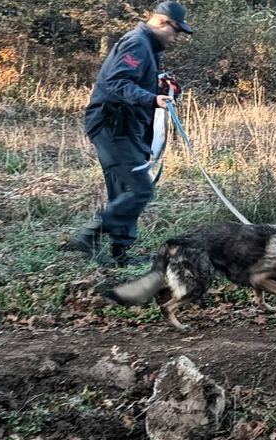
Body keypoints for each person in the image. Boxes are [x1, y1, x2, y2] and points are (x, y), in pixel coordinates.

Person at [71, 1, 193, 266]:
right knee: (140, 189)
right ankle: (89, 235)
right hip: (113, 123)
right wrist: (152, 99)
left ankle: (120, 255)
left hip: (126, 124)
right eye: (175, 31)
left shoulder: (148, 47)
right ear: (162, 23)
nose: (176, 38)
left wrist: (159, 88)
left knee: (125, 187)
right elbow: (117, 82)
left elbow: (132, 81)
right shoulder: (137, 42)